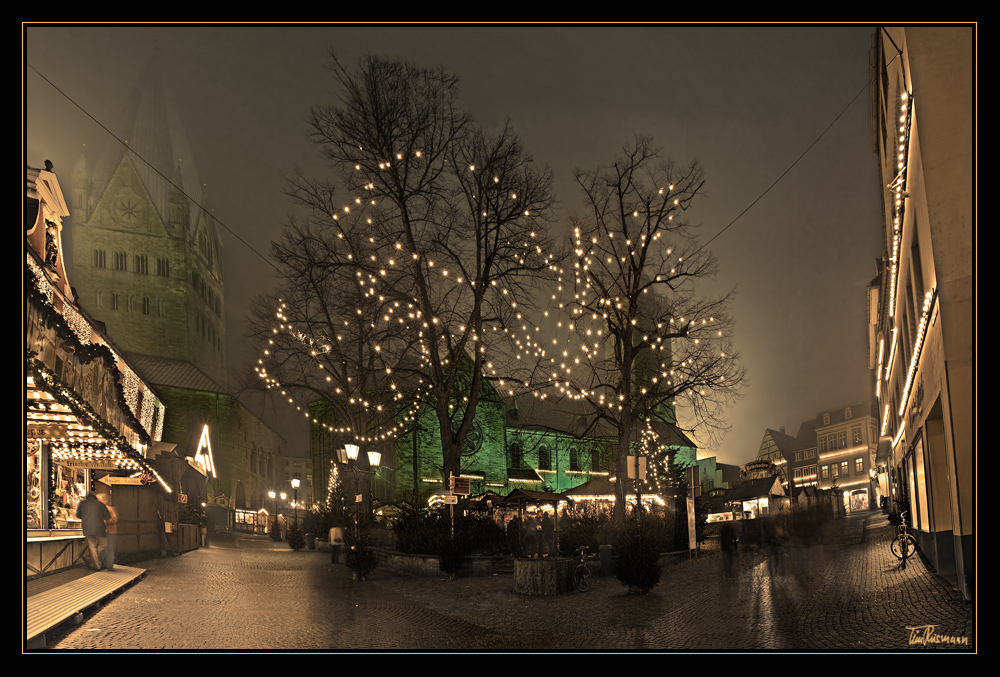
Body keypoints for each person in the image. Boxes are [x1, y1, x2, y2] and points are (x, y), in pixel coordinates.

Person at [76, 492, 110, 570]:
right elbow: (107, 516)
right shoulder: (100, 504)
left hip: (87, 528)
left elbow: (78, 515)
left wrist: (85, 517)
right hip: (100, 528)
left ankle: (94, 563)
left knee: (92, 547)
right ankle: (93, 561)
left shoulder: (82, 503)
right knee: (104, 544)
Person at [97, 494, 118, 570]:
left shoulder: (109, 509)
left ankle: (109, 565)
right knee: (104, 548)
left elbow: (114, 519)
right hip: (104, 532)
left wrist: (106, 521)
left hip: (110, 532)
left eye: (99, 500)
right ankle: (104, 564)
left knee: (109, 548)